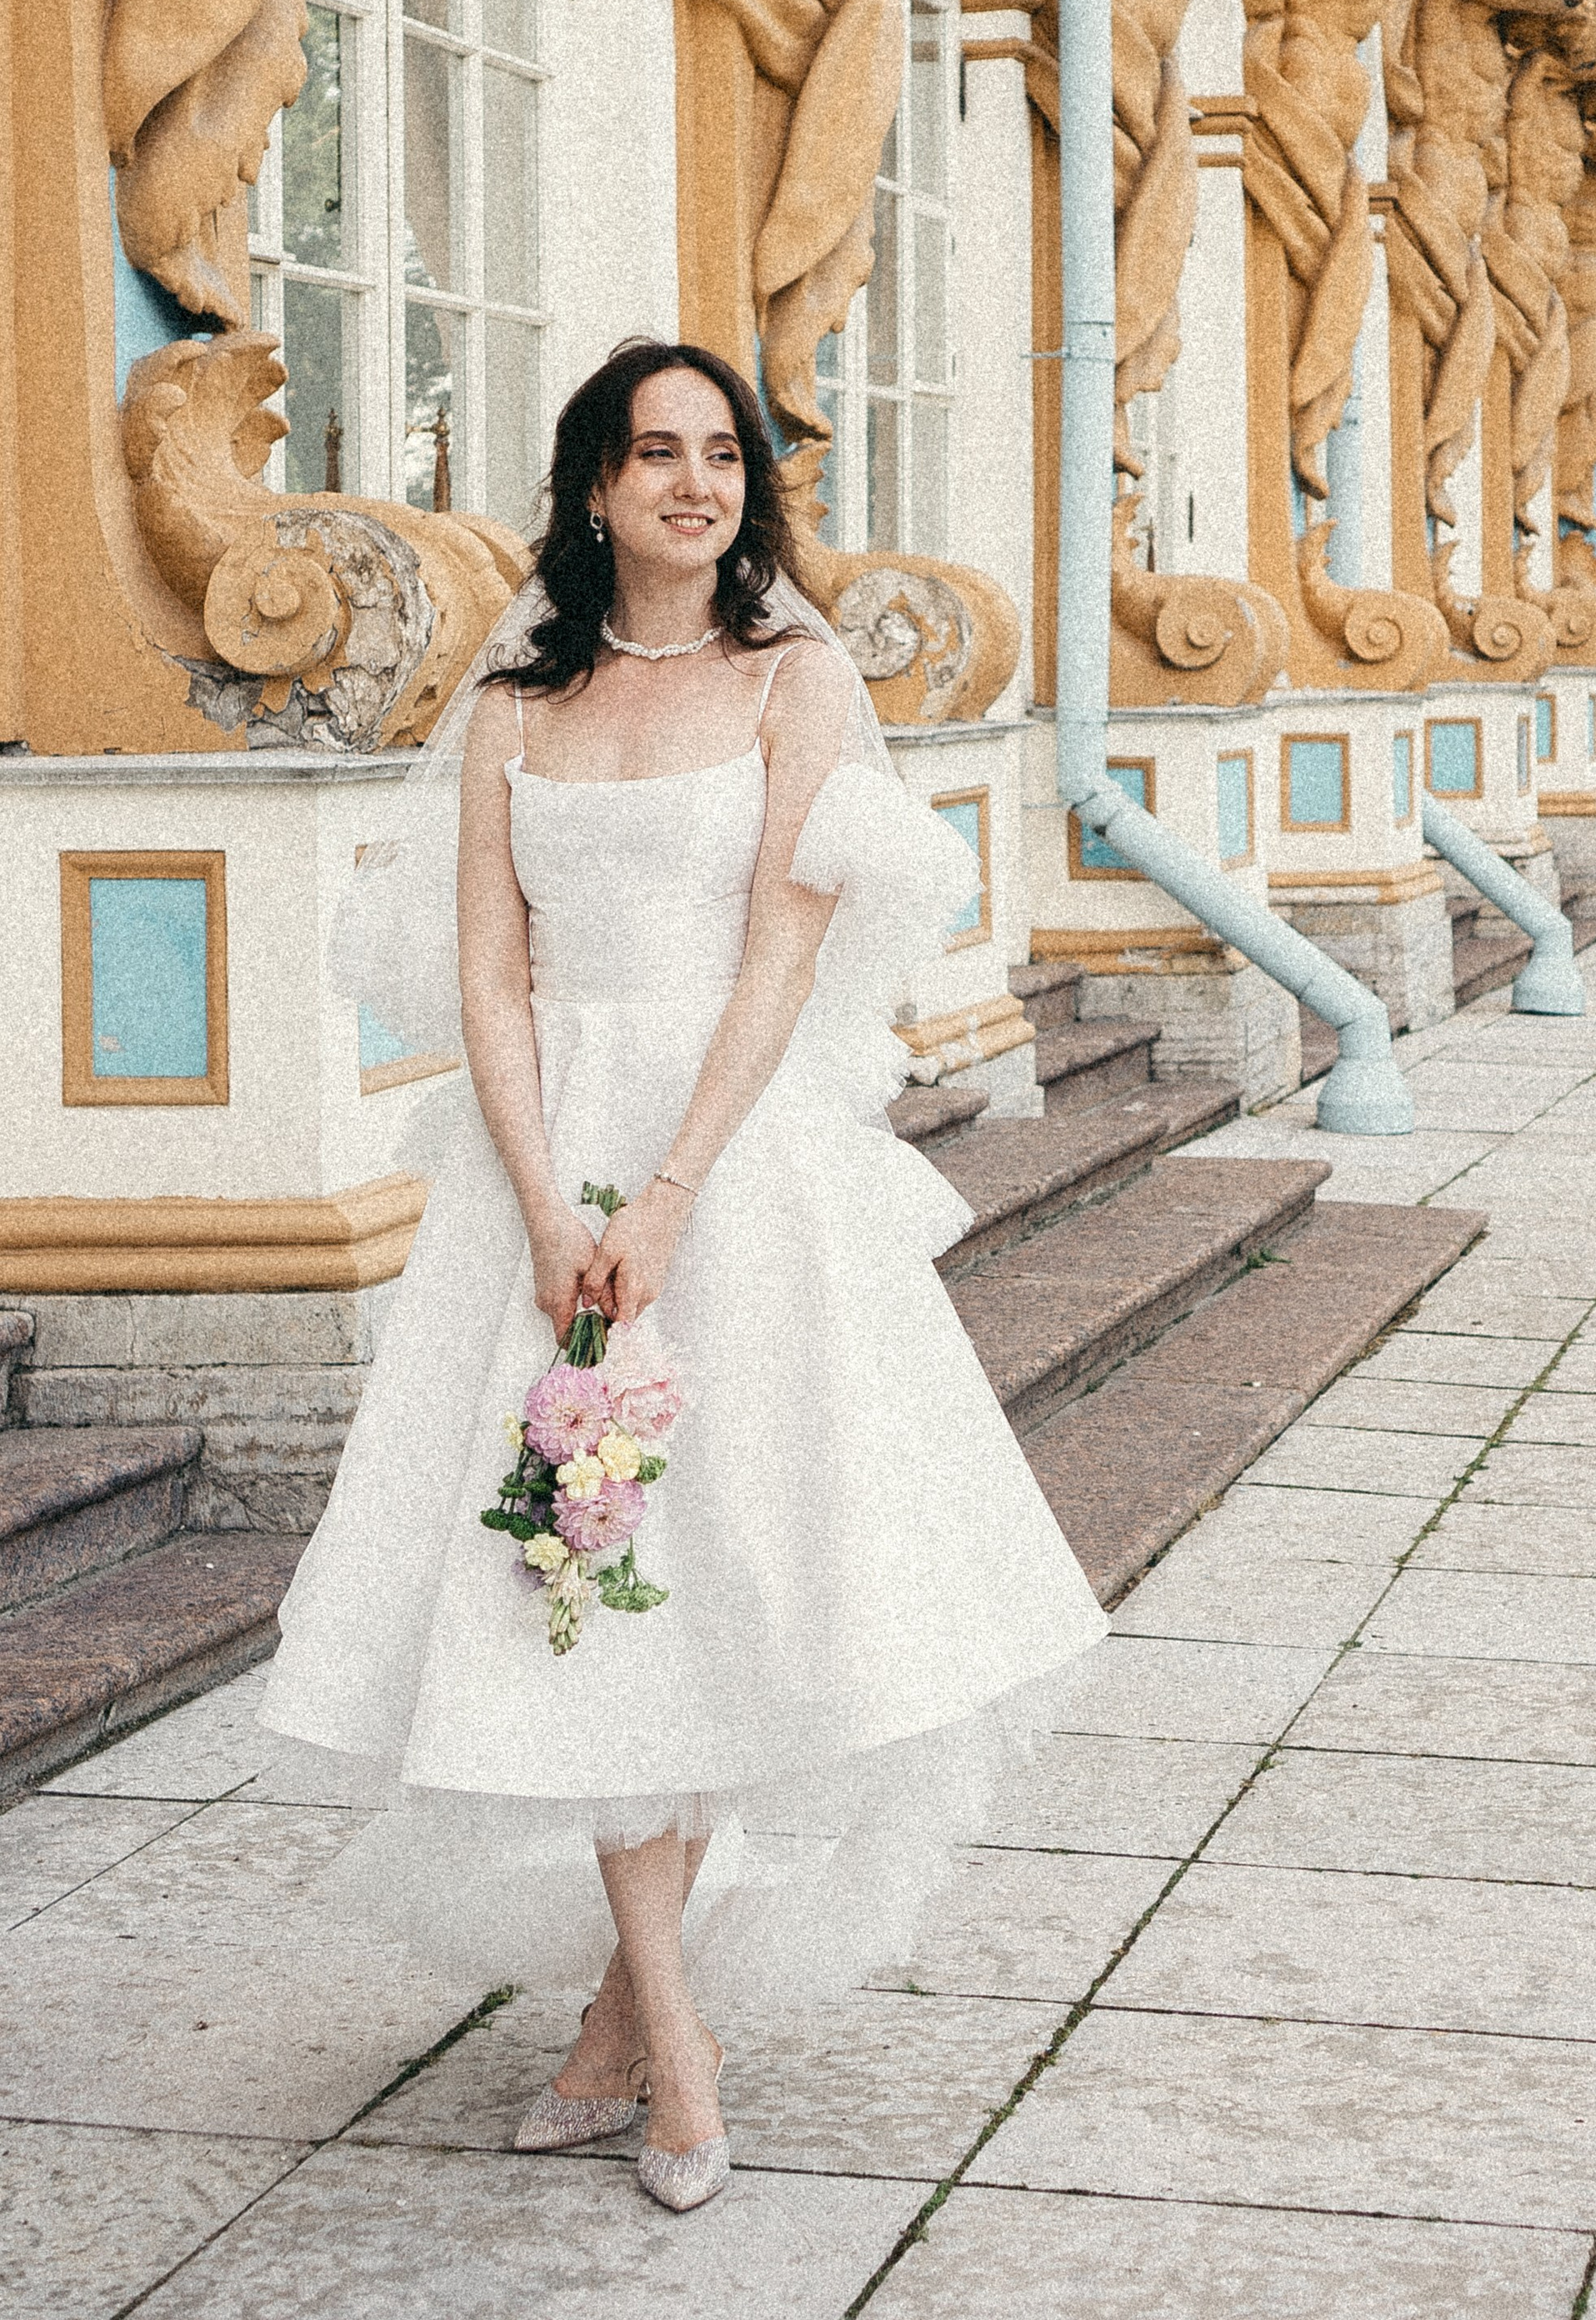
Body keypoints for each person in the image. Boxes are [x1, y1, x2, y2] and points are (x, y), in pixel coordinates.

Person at [260, 339, 1107, 2212]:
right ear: (595, 485)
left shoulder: (797, 679)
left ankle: (631, 2022)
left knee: (718, 1574)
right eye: (655, 453)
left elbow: (779, 965)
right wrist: (544, 1204)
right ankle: (663, 2026)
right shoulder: (515, 704)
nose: (694, 484)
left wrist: (663, 1199)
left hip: (737, 1169)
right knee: (577, 1578)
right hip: (543, 1167)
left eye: (722, 454)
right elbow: (490, 977)